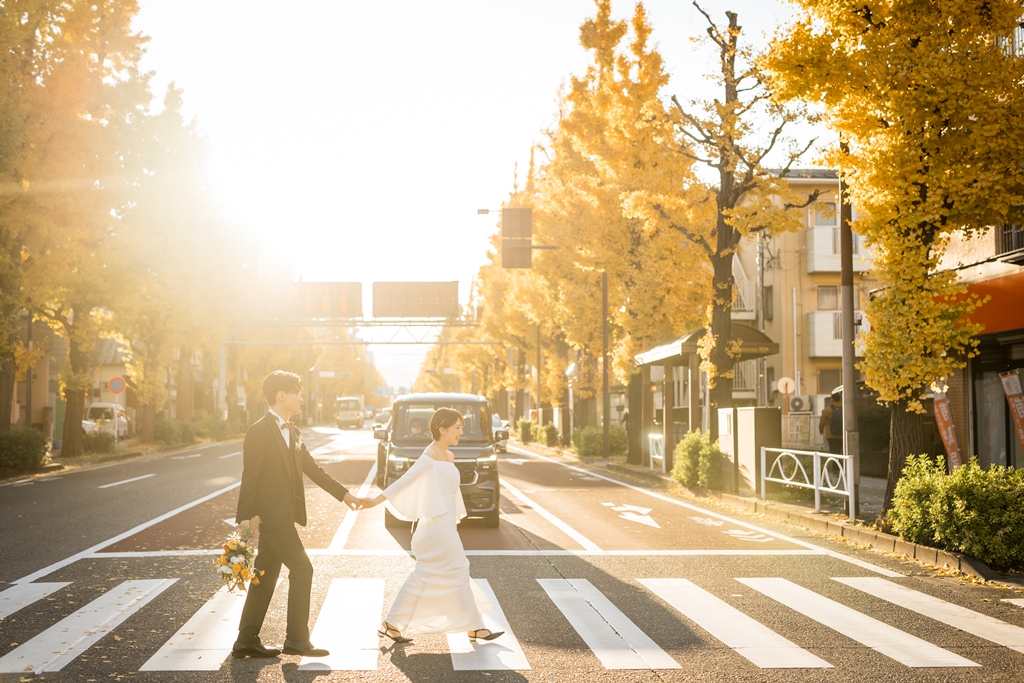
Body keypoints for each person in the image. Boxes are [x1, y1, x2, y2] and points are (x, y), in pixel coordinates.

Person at [232, 371, 363, 659]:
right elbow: (250, 475)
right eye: (297, 392)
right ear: (282, 395)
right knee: (303, 569)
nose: (301, 397)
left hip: (284, 515)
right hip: (272, 516)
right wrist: (244, 517)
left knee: (264, 576)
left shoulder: (293, 430)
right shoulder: (259, 430)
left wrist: (345, 495)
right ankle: (296, 640)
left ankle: (245, 641)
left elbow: (312, 469)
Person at [359, 407, 503, 644]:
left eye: (461, 427)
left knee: (428, 574)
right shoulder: (429, 457)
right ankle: (475, 627)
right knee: (455, 569)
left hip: (444, 524)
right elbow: (405, 481)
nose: (461, 432)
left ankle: (391, 624)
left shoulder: (449, 456)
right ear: (442, 429)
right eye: (457, 427)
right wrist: (375, 500)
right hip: (435, 527)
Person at [818, 390, 844, 455]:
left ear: (832, 399)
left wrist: (821, 430)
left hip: (831, 436)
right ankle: (839, 464)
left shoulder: (827, 410)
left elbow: (822, 422)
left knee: (834, 453)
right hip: (842, 435)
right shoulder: (844, 409)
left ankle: (835, 464)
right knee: (840, 453)